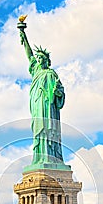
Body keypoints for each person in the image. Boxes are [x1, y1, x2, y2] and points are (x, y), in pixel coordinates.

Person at [19, 28, 65, 165]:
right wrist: (24, 36)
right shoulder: (36, 70)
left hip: (49, 105)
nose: (39, 60)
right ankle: (39, 158)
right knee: (39, 130)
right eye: (38, 58)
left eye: (41, 58)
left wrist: (57, 92)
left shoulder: (52, 74)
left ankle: (52, 158)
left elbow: (60, 92)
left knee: (50, 129)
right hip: (37, 103)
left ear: (47, 60)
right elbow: (29, 55)